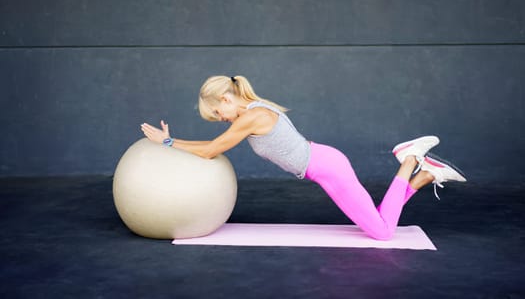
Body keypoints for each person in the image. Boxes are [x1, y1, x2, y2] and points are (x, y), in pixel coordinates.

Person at [141, 75, 466, 241]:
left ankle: (409, 161)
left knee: (382, 232)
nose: (220, 117)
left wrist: (169, 142)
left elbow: (212, 150)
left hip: (328, 167)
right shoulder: (252, 112)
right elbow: (213, 143)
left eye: (217, 111)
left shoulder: (251, 117)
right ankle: (425, 176)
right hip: (325, 164)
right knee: (379, 218)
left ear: (226, 98)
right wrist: (172, 140)